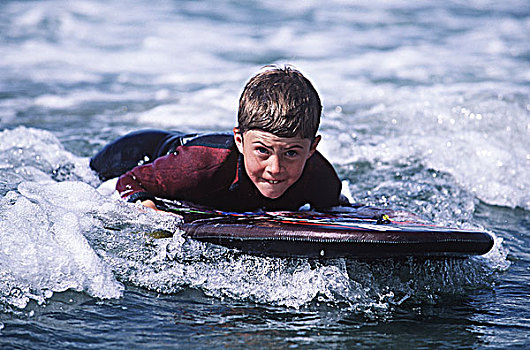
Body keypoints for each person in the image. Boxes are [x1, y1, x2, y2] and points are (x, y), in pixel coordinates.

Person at [90, 65, 344, 212]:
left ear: (312, 149)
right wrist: (145, 205)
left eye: (291, 153)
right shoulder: (201, 166)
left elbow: (336, 210)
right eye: (263, 151)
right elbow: (130, 180)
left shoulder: (321, 179)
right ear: (239, 140)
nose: (275, 169)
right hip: (137, 153)